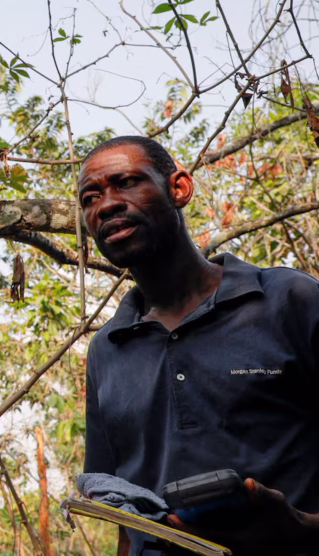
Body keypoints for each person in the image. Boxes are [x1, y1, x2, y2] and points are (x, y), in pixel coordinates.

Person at [79, 135, 319, 556]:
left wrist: (299, 527)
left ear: (179, 188)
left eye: (127, 182)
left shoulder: (288, 300)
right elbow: (120, 509)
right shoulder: (107, 348)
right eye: (90, 197)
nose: (107, 204)